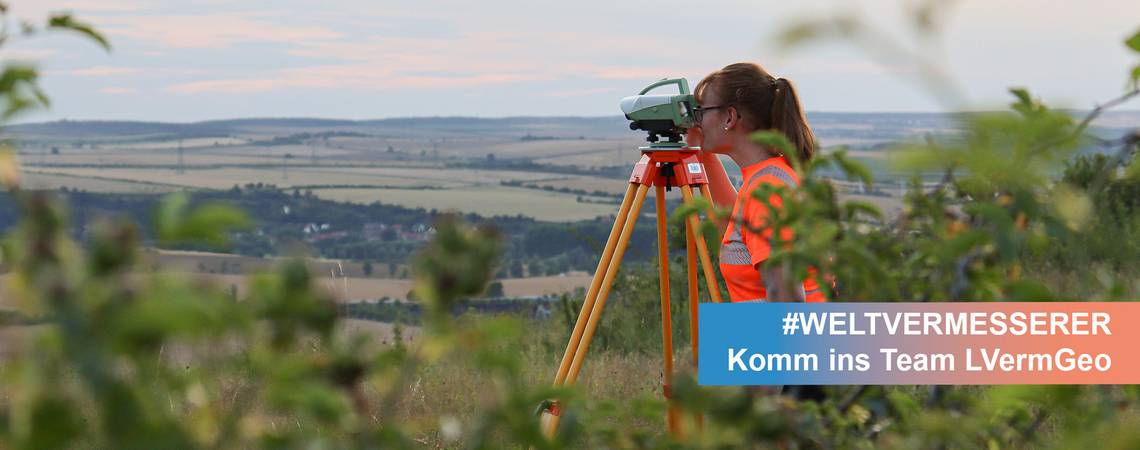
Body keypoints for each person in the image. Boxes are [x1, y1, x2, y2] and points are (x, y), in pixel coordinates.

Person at [687, 62, 826, 303]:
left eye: (701, 112)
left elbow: (787, 299)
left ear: (729, 117)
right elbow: (738, 230)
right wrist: (700, 152)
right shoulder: (769, 175)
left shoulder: (768, 188)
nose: (696, 122)